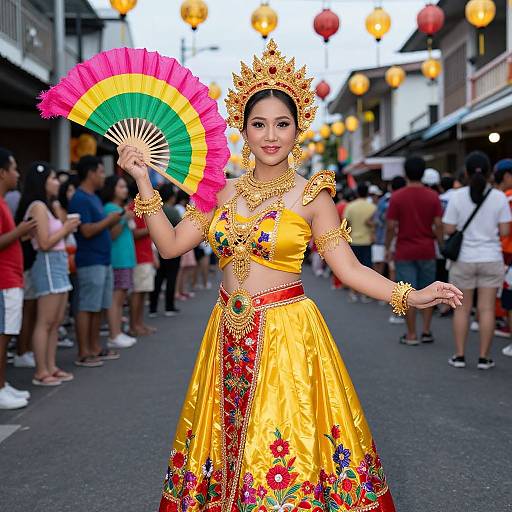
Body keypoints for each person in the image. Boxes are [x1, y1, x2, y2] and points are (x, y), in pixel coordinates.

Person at [117, 41, 462, 512]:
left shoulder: (311, 195)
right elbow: (171, 244)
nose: (271, 135)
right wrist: (142, 182)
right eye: (259, 124)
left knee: (281, 452)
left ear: (298, 129)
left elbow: (350, 268)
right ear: (243, 128)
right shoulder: (219, 190)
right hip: (227, 331)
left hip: (288, 336)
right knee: (228, 447)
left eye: (282, 123)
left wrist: (411, 294)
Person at [443, 152, 511, 369]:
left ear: (466, 172)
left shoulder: (457, 196)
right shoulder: (499, 197)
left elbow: (449, 228)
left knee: (462, 309)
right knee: (487, 309)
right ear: (490, 172)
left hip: (463, 259)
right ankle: (484, 357)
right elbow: (505, 230)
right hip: (491, 257)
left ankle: (460, 355)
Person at [16, 162, 79, 386]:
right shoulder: (38, 207)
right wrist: (66, 228)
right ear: (42, 181)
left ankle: (51, 366)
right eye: (53, 178)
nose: (56, 183)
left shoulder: (49, 205)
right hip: (48, 263)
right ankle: (41, 371)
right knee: (45, 321)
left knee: (55, 321)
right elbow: (43, 243)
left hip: (58, 263)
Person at [68, 156, 122, 367]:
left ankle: (95, 348)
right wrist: (109, 220)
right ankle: (84, 352)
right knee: (87, 306)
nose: (103, 176)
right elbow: (86, 230)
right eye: (100, 171)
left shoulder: (93, 197)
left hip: (102, 259)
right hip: (90, 260)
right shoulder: (80, 198)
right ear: (90, 173)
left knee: (98, 307)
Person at [386, 156, 444, 346]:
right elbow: (438, 224)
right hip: (427, 249)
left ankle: (411, 334)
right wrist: (441, 244)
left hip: (405, 250)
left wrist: (388, 247)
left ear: (405, 173)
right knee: (430, 290)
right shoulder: (433, 196)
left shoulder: (397, 197)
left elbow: (391, 225)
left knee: (407, 293)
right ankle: (426, 331)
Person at [0, 148, 36, 409]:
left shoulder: (3, 202)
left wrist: (19, 235)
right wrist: (20, 231)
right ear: (2, 173)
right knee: (2, 336)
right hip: (4, 280)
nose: (17, 174)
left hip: (11, 279)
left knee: (7, 334)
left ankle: (3, 384)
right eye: (13, 168)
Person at [102, 175, 137, 349]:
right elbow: (112, 234)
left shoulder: (120, 208)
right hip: (118, 259)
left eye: (125, 187)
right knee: (116, 299)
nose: (124, 190)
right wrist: (124, 217)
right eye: (120, 186)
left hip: (126, 259)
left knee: (121, 297)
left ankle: (117, 332)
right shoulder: (110, 208)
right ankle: (114, 334)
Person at [128, 185, 157, 336]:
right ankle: (134, 326)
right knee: (138, 293)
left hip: (145, 255)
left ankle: (139, 323)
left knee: (143, 292)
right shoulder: (134, 208)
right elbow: (134, 233)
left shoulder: (142, 206)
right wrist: (153, 228)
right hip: (139, 256)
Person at [149, 184, 181, 317]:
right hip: (173, 246)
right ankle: (169, 306)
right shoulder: (173, 211)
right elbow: (180, 228)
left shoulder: (157, 209)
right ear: (172, 197)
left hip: (155, 247)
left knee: (158, 278)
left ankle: (153, 308)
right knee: (171, 277)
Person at [344, 182, 376, 302]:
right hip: (368, 242)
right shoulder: (372, 207)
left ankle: (353, 292)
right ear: (367, 192)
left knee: (354, 269)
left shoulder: (351, 206)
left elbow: (345, 223)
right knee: (367, 269)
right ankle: (365, 294)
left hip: (354, 241)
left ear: (357, 192)